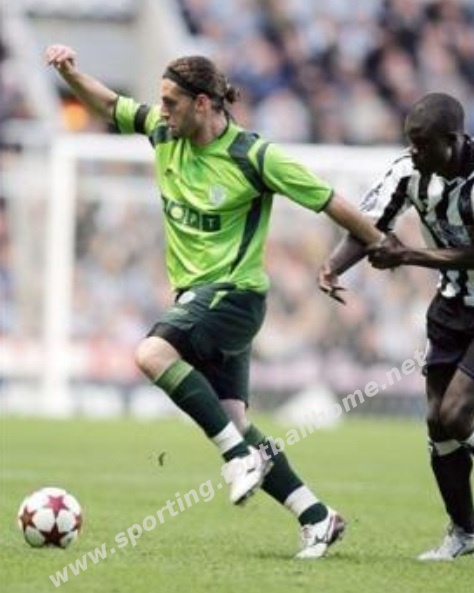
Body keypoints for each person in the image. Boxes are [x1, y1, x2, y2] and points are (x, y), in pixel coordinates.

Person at [45, 44, 382, 559]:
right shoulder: (163, 133)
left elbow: (329, 200)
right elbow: (109, 104)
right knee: (235, 421)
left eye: (171, 102)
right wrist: (70, 72)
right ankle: (316, 516)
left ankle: (239, 459)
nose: (161, 111)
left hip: (235, 296)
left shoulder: (254, 156)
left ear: (203, 104)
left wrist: (377, 245)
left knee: (152, 354)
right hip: (202, 299)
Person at [319, 92, 474, 561]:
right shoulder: (407, 171)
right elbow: (369, 225)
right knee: (437, 423)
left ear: (453, 140)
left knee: (456, 413)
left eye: (423, 144)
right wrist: (333, 266)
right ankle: (465, 533)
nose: (414, 151)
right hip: (451, 307)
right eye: (411, 141)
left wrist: (408, 254)